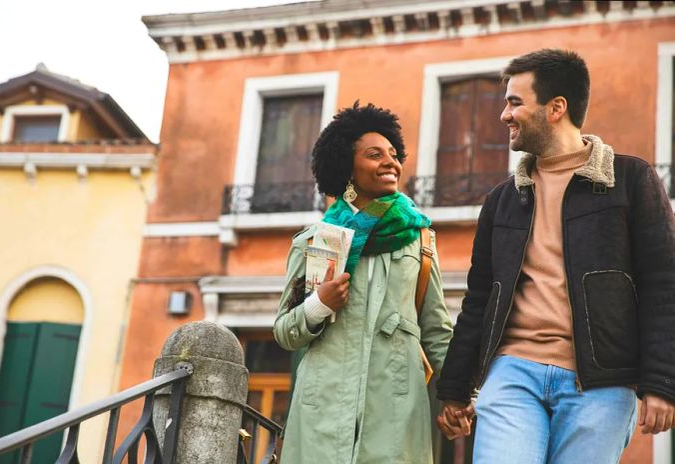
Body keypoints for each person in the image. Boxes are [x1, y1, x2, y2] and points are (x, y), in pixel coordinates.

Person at [436, 48, 675, 463]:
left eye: (514, 102)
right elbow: (479, 301)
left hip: (601, 384)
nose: (504, 115)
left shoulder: (631, 180)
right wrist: (454, 389)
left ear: (556, 108)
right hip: (512, 374)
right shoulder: (501, 201)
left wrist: (662, 381)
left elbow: (664, 285)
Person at [274, 102, 454, 463]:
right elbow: (284, 332)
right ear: (347, 167)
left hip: (397, 412)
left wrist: (457, 396)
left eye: (393, 154)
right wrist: (318, 304)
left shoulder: (420, 241)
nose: (391, 162)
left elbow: (436, 331)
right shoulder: (316, 241)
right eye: (375, 155)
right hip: (321, 413)